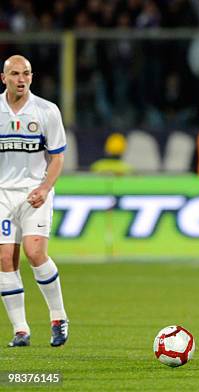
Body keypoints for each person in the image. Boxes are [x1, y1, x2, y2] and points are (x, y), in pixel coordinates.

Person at [0, 55, 69, 347]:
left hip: (34, 192)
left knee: (35, 253)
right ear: (4, 78)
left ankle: (58, 318)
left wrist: (45, 187)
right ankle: (21, 330)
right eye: (15, 74)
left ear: (32, 76)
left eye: (26, 73)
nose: (21, 79)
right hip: (2, 193)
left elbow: (57, 157)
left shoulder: (46, 111)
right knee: (5, 259)